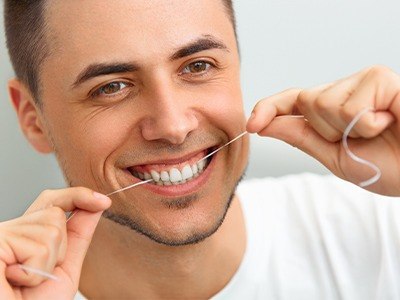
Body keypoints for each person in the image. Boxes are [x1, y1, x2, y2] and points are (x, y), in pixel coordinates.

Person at [1, 0, 400, 299]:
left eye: (197, 66)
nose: (174, 126)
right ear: (33, 118)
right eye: (111, 87)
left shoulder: (380, 229)